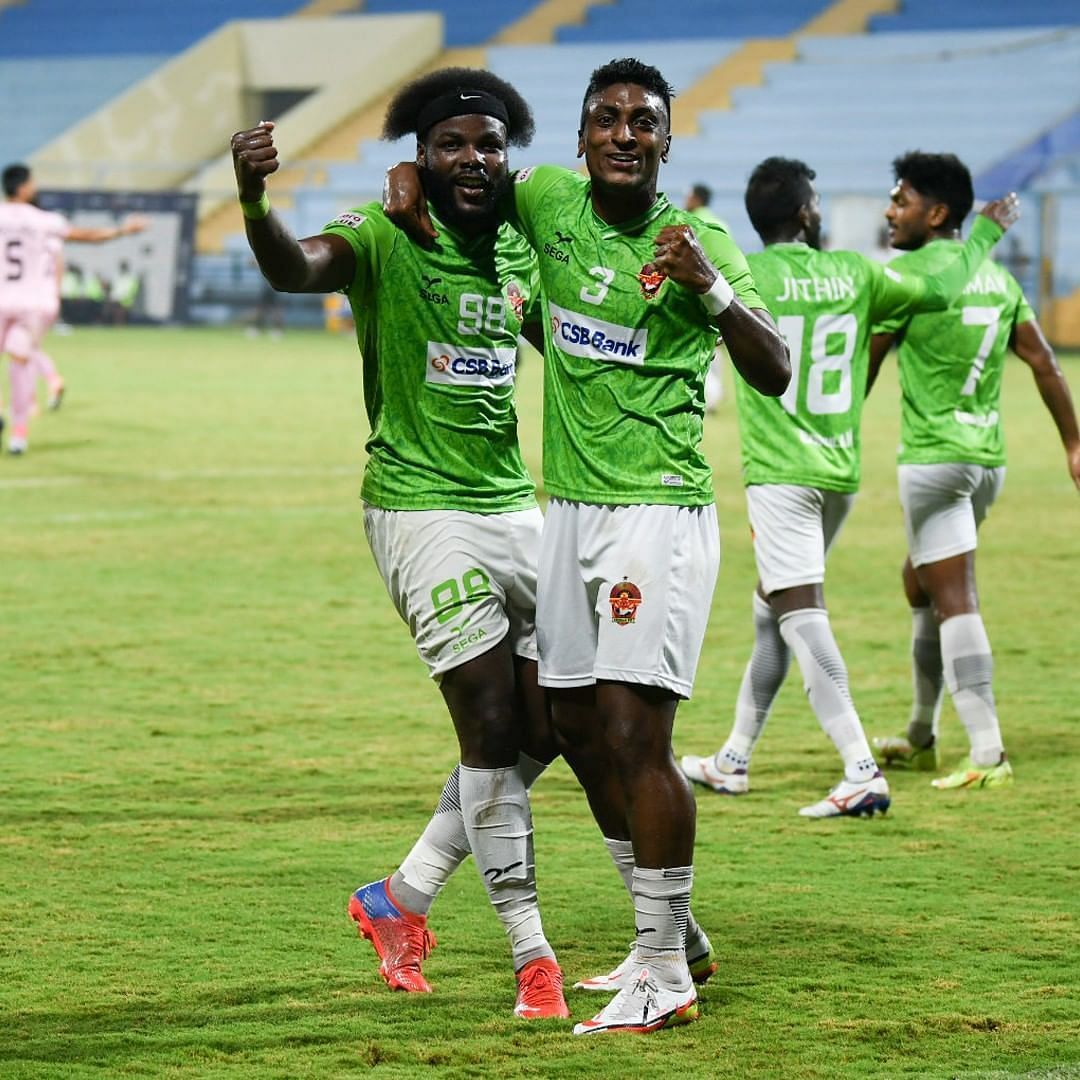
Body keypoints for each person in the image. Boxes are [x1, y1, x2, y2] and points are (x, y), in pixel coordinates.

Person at [386, 57, 790, 1035]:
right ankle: (671, 937)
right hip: (563, 509)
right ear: (578, 141)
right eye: (604, 119)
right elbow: (465, 174)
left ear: (664, 142)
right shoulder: (549, 201)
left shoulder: (698, 242)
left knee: (634, 737)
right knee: (567, 722)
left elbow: (774, 367)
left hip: (655, 512)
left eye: (641, 122)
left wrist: (713, 296)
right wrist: (403, 183)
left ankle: (665, 969)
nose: (621, 134)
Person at [230, 69, 573, 1022]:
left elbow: (569, 337)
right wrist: (255, 199)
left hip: (515, 507)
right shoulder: (381, 233)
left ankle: (403, 897)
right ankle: (531, 957)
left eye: (490, 145)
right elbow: (294, 268)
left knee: (555, 723)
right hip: (420, 512)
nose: (474, 159)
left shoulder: (519, 247)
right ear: (418, 158)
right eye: (453, 144)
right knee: (493, 731)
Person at [678, 157, 1019, 816]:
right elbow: (941, 290)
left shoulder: (745, 275)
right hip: (838, 473)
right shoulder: (858, 273)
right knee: (770, 610)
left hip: (781, 475)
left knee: (800, 616)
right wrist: (982, 236)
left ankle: (860, 767)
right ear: (808, 214)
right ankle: (734, 757)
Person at [867, 151, 1080, 789]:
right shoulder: (997, 280)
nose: (890, 210)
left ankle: (986, 752)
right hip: (987, 462)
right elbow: (1046, 364)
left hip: (933, 461)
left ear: (936, 214)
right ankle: (920, 734)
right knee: (919, 582)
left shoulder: (906, 280)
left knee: (954, 594)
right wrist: (1073, 443)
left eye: (900, 199)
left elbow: (864, 367)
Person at [0, 163, 144, 453]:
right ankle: (19, 433)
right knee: (21, 362)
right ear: (25, 187)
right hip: (34, 303)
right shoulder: (45, 221)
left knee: (19, 358)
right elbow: (88, 236)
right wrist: (122, 231)